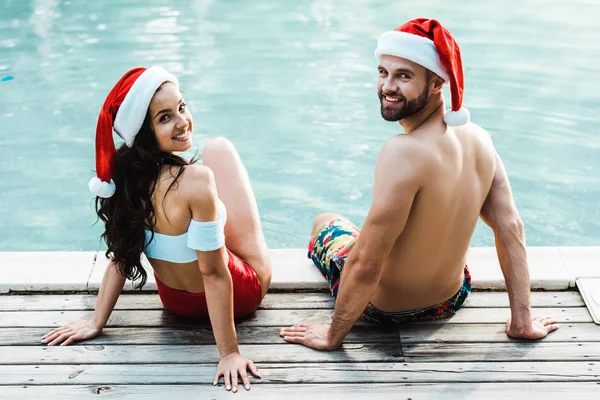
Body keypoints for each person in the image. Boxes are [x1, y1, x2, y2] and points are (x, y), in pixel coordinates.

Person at [280, 18, 559, 351]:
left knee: (325, 221)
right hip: (451, 299)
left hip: (383, 310)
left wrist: (332, 335)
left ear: (438, 81)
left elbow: (367, 262)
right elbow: (511, 228)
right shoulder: (480, 139)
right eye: (383, 72)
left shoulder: (402, 152)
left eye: (404, 76)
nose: (387, 86)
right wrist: (522, 322)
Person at [41, 67, 272, 392]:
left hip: (175, 302)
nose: (183, 121)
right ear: (145, 132)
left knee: (206, 203)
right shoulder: (197, 180)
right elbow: (213, 276)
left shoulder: (124, 181)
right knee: (218, 148)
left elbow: (120, 258)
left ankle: (210, 224)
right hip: (239, 298)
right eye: (165, 118)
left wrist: (96, 322)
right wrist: (230, 353)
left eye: (181, 107)